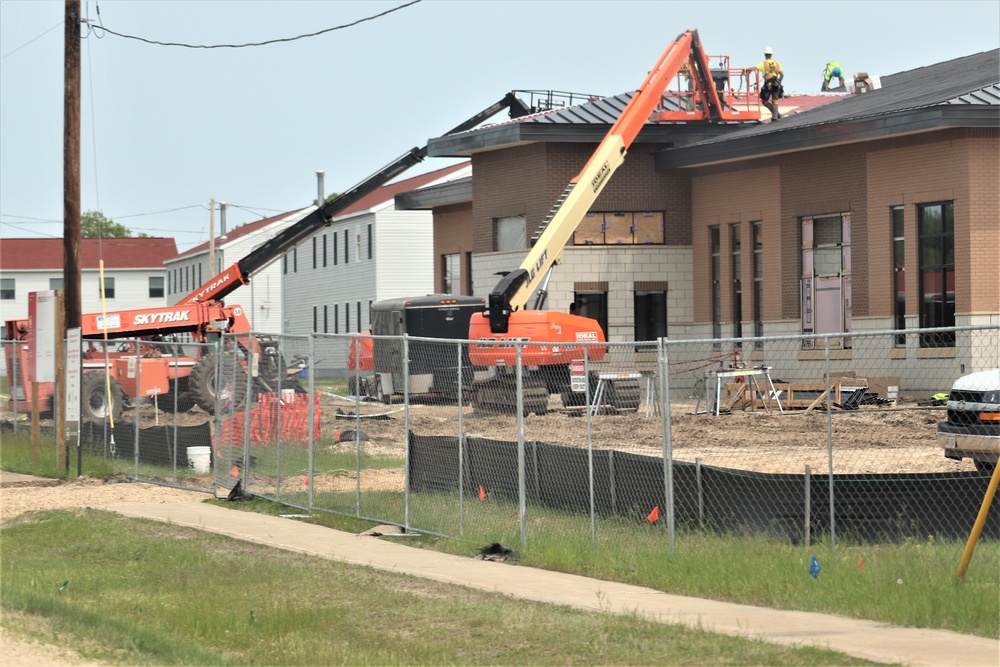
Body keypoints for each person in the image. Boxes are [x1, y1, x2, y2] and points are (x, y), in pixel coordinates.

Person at [747, 47, 783, 120]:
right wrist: (779, 81)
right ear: (771, 55)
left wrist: (747, 69)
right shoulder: (777, 64)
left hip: (768, 84)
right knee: (775, 100)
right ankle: (776, 115)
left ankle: (775, 114)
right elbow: (782, 74)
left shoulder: (763, 64)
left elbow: (754, 68)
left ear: (765, 55)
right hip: (776, 83)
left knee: (764, 101)